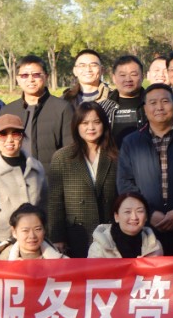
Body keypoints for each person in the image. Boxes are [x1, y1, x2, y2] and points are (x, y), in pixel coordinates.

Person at [88, 191, 173, 318]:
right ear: (116, 216)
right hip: (110, 305)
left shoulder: (154, 245)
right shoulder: (99, 246)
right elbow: (95, 286)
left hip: (142, 303)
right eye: (127, 212)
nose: (134, 217)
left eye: (140, 211)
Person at [119, 84, 173, 256]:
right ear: (145, 108)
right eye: (153, 103)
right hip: (145, 230)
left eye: (165, 101)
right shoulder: (131, 142)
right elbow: (125, 183)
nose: (159, 107)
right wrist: (148, 213)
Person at [45, 101, 119, 256]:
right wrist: (57, 237)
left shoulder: (115, 156)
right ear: (76, 126)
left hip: (108, 234)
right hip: (76, 234)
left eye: (96, 122)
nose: (91, 128)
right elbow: (55, 201)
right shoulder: (62, 157)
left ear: (104, 124)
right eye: (85, 123)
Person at [0, 114, 47, 257]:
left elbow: (45, 206)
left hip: (35, 246)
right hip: (2, 247)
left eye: (15, 134)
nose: (9, 139)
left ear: (22, 137)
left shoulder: (36, 167)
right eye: (3, 134)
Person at [1, 55, 73, 169]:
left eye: (36, 74)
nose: (31, 79)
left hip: (52, 177)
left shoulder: (62, 108)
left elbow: (71, 150)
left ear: (46, 77)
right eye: (24, 75)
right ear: (18, 79)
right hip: (16, 176)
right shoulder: (8, 110)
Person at [61, 48, 116, 117]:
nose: (88, 69)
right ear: (75, 71)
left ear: (102, 70)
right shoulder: (64, 100)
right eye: (82, 65)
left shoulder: (113, 98)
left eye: (93, 65)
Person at [107, 54, 148, 143]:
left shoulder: (152, 104)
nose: (128, 79)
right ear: (114, 78)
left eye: (133, 74)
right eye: (122, 75)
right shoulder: (104, 107)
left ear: (142, 77)